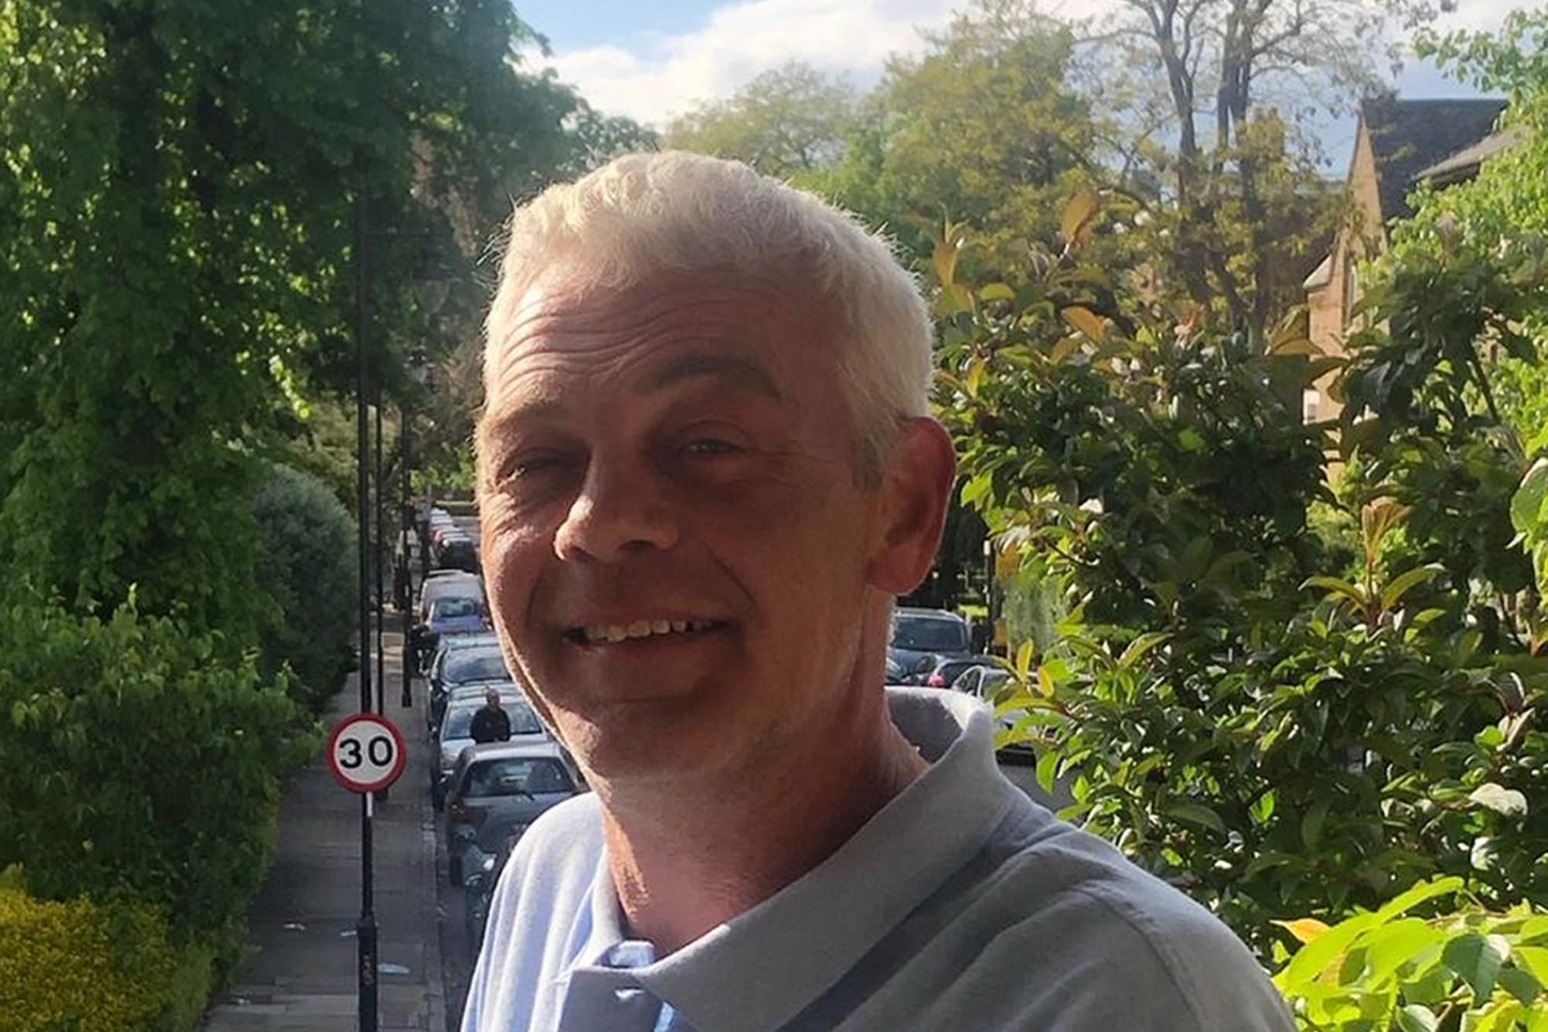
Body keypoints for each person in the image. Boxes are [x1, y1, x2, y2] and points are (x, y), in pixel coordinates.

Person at [463, 152, 1295, 1032]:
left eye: (707, 446)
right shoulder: (551, 878)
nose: (596, 523)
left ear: (902, 509)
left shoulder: (1121, 1000)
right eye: (537, 462)